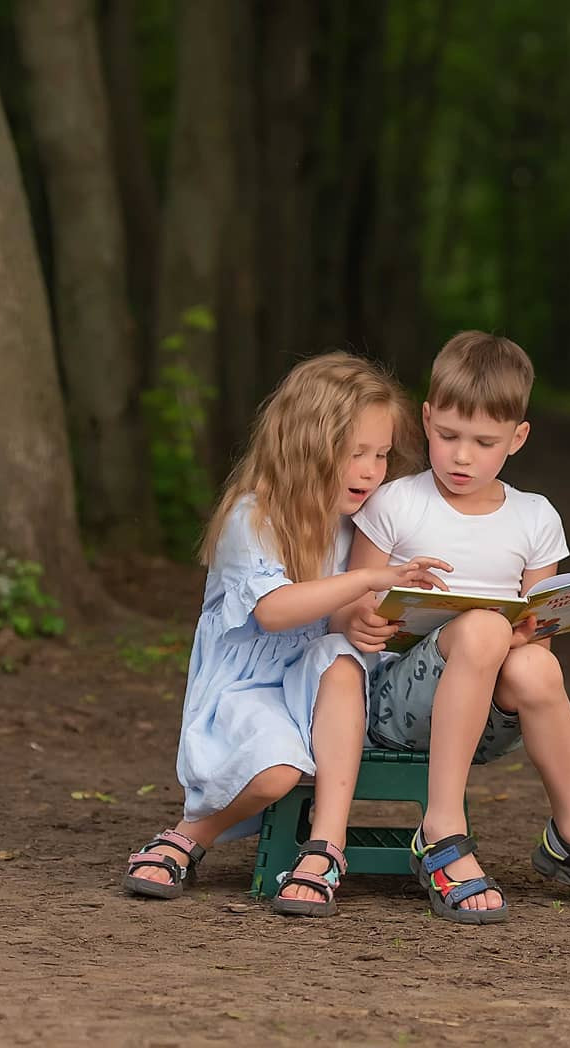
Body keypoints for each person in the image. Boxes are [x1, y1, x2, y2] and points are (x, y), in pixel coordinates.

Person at [336, 331, 570, 924]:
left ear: (517, 438)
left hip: (487, 717)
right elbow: (350, 599)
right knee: (484, 629)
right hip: (392, 708)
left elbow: (541, 621)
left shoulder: (534, 517)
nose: (462, 457)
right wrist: (358, 618)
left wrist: (531, 631)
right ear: (427, 418)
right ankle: (440, 828)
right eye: (447, 436)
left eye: (484, 442)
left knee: (535, 662)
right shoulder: (395, 503)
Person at [123, 353, 450, 917]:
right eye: (356, 454)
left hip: (319, 682)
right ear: (307, 444)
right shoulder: (254, 517)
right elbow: (275, 611)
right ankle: (192, 835)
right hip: (249, 687)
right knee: (275, 772)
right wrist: (366, 579)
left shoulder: (362, 523)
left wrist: (363, 619)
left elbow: (337, 620)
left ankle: (326, 846)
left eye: (380, 454)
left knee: (342, 655)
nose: (372, 470)